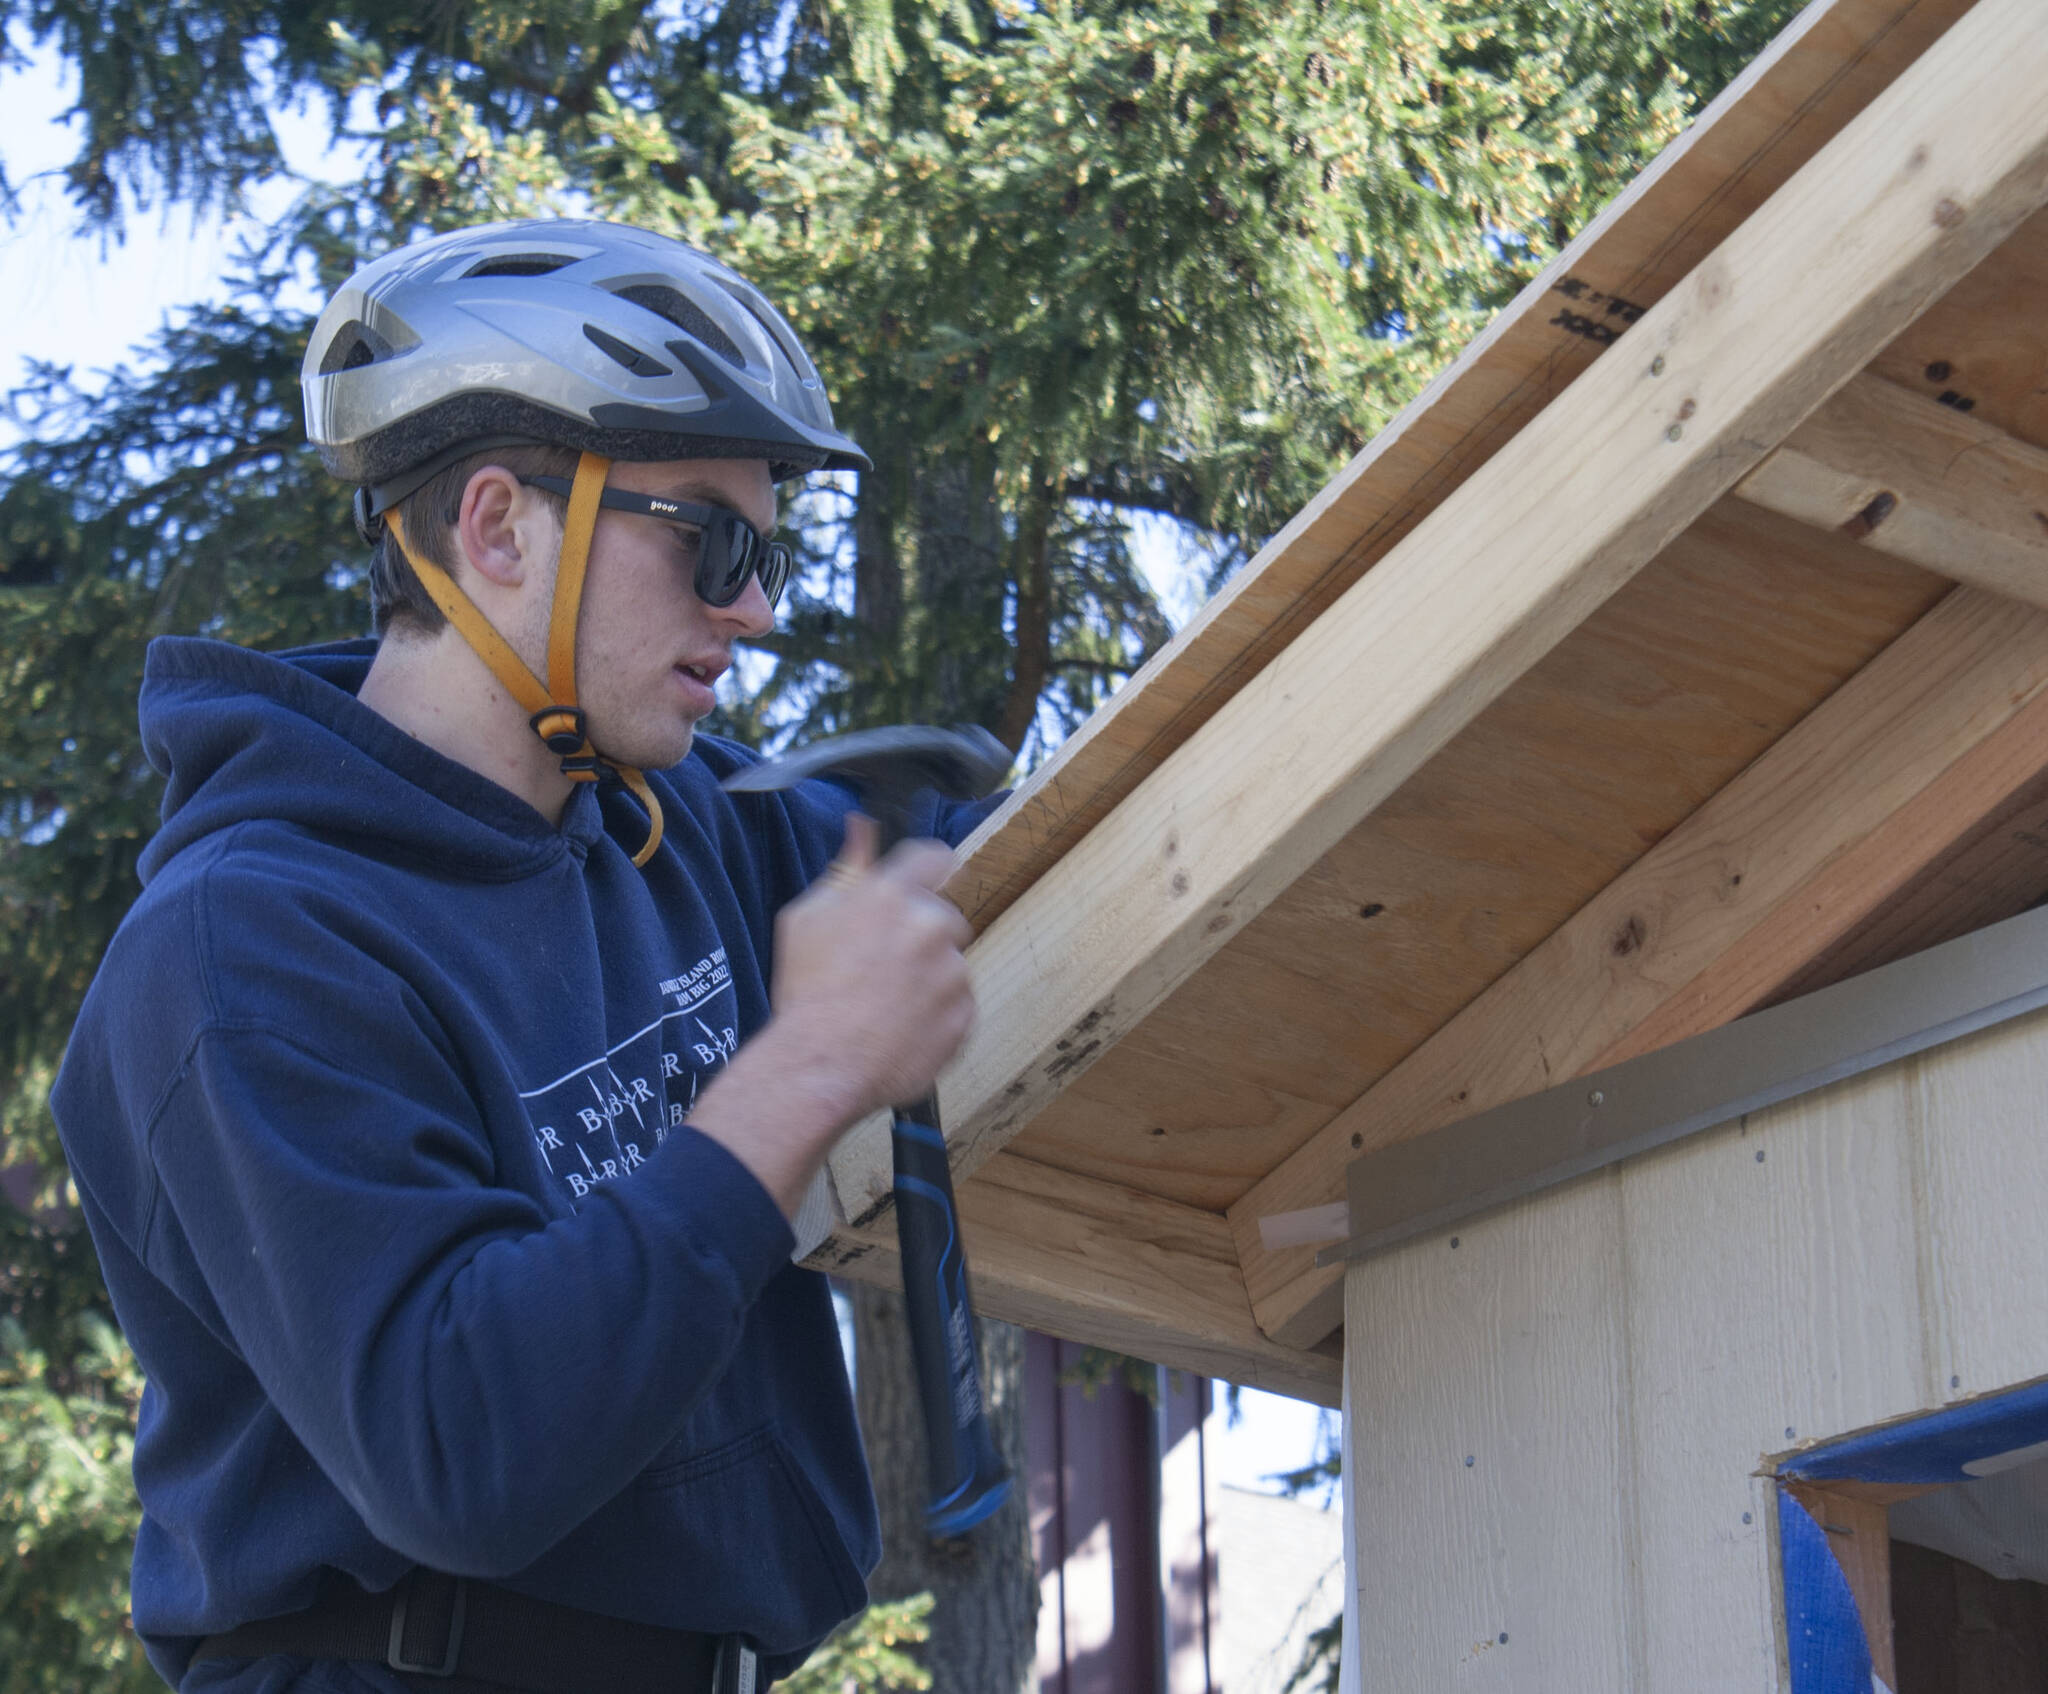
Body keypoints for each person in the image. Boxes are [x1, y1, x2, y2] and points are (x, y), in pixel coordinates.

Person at [51, 218, 997, 1694]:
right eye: (715, 541)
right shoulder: (246, 949)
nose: (754, 607)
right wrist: (804, 1066)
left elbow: (1009, 859)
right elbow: (458, 1440)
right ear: (497, 529)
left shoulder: (677, 826)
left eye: (775, 551)